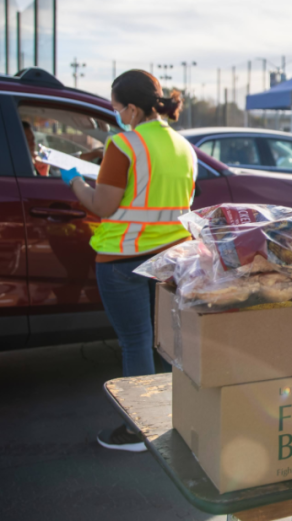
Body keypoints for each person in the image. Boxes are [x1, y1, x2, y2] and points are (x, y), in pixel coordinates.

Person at [61, 70, 197, 451]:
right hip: (170, 261)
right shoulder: (184, 147)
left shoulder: (123, 145)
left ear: (133, 109)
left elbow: (102, 205)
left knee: (136, 342)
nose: (117, 114)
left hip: (123, 260)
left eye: (117, 108)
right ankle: (180, 419)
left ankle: (139, 431)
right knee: (169, 345)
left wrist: (72, 179)